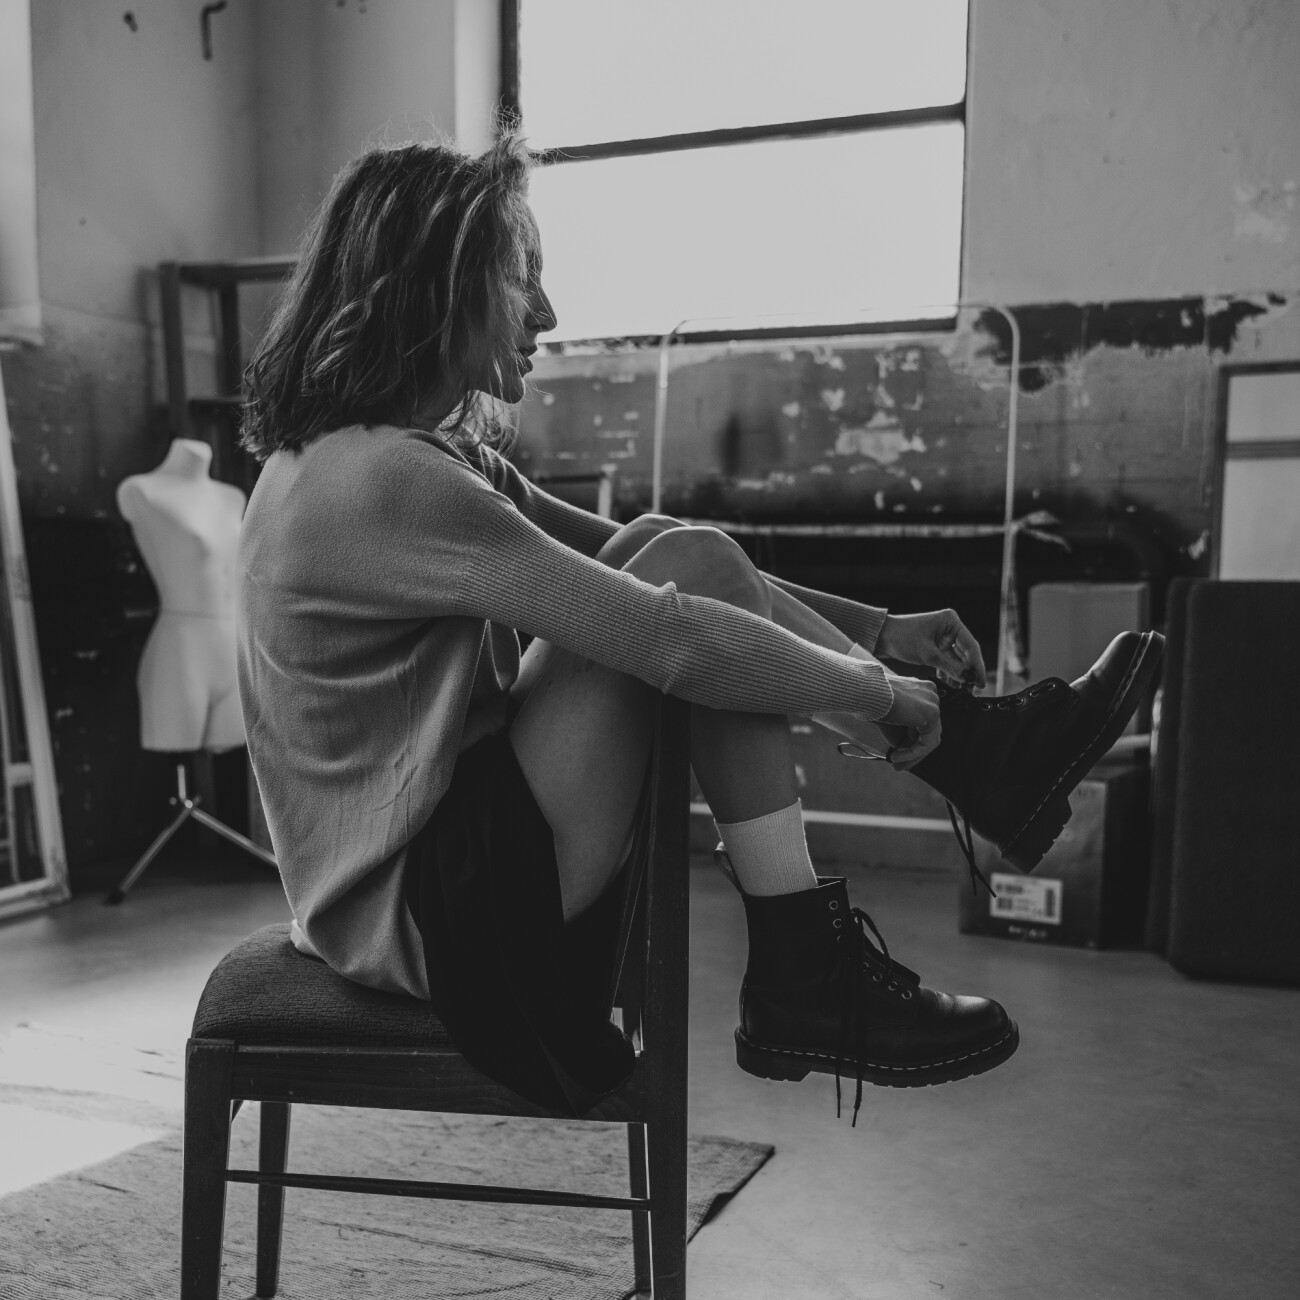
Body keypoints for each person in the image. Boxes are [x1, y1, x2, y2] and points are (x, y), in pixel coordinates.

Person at [237, 131, 1161, 1121]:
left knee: (671, 546)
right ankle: (893, 847)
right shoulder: (385, 482)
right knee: (685, 600)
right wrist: (892, 701)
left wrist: (879, 628)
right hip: (433, 917)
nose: (546, 313)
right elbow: (671, 636)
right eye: (519, 278)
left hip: (449, 863)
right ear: (433, 287)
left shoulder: (382, 458)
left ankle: (879, 870)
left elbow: (664, 561)